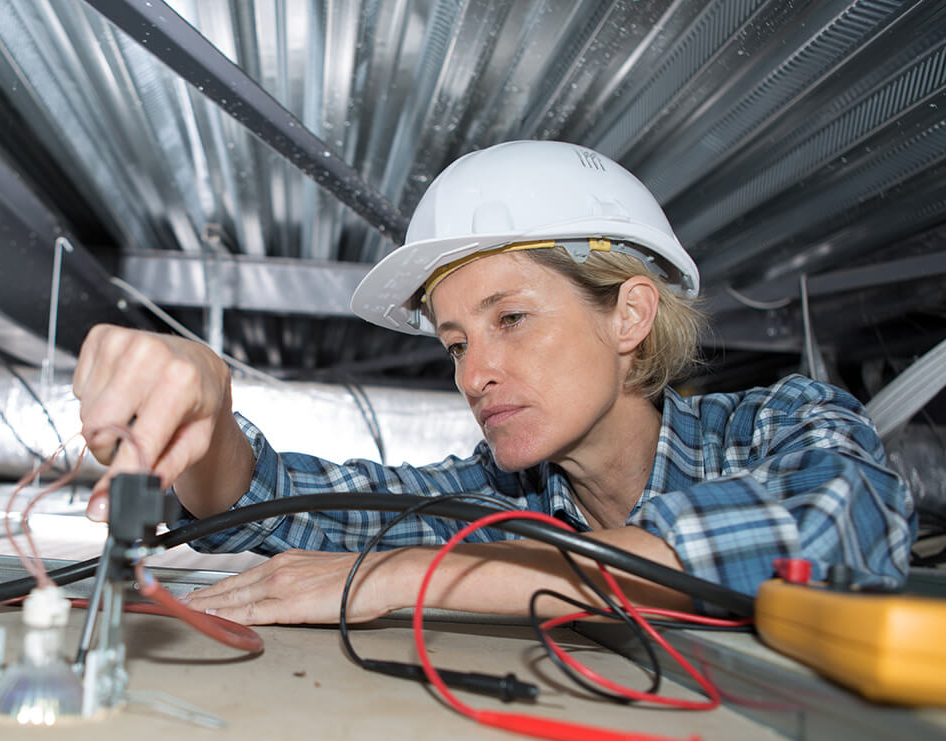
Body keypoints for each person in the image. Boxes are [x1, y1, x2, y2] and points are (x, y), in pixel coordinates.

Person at [73, 141, 916, 625]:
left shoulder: (779, 424)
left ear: (628, 315)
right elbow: (274, 504)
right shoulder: (502, 499)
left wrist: (416, 574)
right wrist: (208, 408)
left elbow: (832, 528)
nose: (474, 373)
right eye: (455, 342)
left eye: (511, 318)